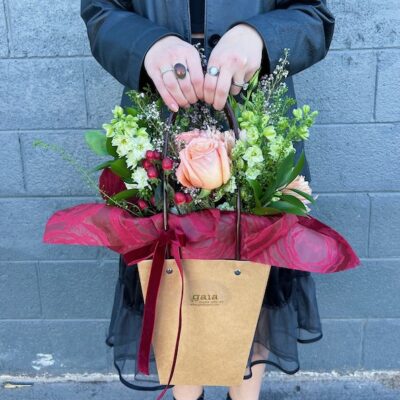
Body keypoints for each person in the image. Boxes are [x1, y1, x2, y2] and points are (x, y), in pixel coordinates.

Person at [81, 1, 335, 399]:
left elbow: (314, 15)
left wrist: (259, 37)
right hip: (158, 110)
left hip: (256, 110)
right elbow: (100, 10)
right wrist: (147, 44)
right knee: (170, 274)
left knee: (254, 274)